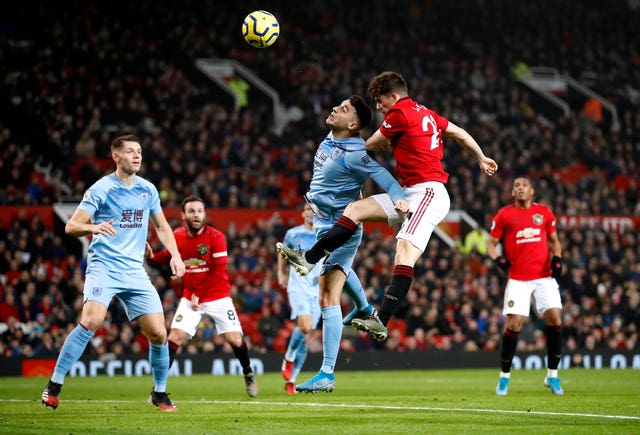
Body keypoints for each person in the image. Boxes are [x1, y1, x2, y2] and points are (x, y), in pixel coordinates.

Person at [278, 71, 498, 342]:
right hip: (409, 191)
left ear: (394, 96)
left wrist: (376, 144)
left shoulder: (400, 113)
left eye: (380, 101)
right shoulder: (428, 113)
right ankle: (308, 259)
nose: (379, 107)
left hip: (428, 193)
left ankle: (381, 320)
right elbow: (460, 133)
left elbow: (369, 144)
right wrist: (481, 157)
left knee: (403, 252)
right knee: (355, 210)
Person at [41, 134, 185, 412]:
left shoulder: (148, 189)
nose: (137, 156)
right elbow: (72, 226)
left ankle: (159, 393)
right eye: (130, 152)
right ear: (116, 157)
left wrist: (176, 256)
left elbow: (163, 227)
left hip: (133, 270)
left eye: (139, 151)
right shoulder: (101, 189)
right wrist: (93, 228)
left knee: (158, 333)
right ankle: (54, 385)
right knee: (92, 320)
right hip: (104, 267)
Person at [276, 95, 408, 393]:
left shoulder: (354, 152)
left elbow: (380, 173)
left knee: (326, 297)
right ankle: (363, 307)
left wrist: (398, 195)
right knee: (338, 273)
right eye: (339, 104)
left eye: (344, 109)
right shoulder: (332, 135)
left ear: (353, 125)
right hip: (324, 222)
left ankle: (327, 373)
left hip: (340, 228)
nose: (335, 108)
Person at [145, 195, 258, 397]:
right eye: (191, 211)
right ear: (183, 215)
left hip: (218, 296)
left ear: (204, 214)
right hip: (191, 298)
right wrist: (152, 257)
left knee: (235, 340)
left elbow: (217, 270)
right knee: (174, 337)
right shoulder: (177, 236)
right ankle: (157, 389)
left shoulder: (216, 237)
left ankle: (248, 372)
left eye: (199, 211)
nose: (196, 215)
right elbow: (168, 257)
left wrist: (200, 293)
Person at [277, 203, 373, 394]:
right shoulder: (292, 233)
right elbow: (282, 253)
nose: (309, 213)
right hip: (298, 287)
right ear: (302, 213)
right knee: (305, 326)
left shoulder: (326, 231)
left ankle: (292, 379)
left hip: (317, 288)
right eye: (306, 209)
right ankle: (288, 357)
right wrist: (280, 273)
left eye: (313, 210)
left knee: (306, 333)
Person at [487, 176, 564, 396]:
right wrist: (498, 259)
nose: (520, 189)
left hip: (543, 276)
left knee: (556, 318)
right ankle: (504, 378)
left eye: (524, 186)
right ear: (512, 193)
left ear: (532, 191)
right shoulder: (504, 215)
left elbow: (554, 240)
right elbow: (490, 245)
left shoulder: (544, 213)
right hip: (518, 277)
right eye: (516, 186)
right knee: (514, 324)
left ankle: (553, 376)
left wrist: (557, 258)